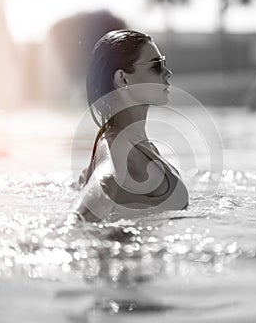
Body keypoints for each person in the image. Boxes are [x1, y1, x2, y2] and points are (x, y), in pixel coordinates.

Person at [76, 29, 189, 222]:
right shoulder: (118, 147)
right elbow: (104, 181)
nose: (168, 73)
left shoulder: (137, 143)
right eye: (156, 66)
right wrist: (72, 222)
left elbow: (88, 177)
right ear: (123, 79)